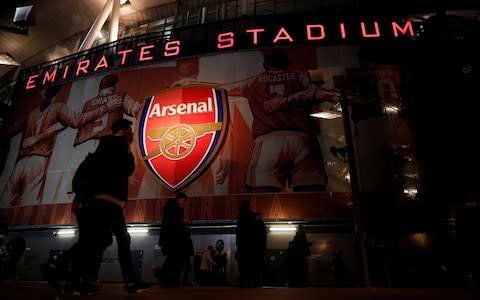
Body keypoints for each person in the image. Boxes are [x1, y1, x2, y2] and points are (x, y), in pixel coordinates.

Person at [224, 48, 338, 193]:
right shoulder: (299, 75)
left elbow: (224, 89)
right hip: (303, 140)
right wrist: (287, 100)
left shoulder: (253, 82)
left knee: (263, 197)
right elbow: (316, 92)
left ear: (265, 64)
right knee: (311, 193)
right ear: (286, 62)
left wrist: (193, 86)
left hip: (269, 142)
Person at [67, 118, 151, 294]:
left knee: (99, 240)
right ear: (123, 131)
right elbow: (115, 170)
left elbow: (125, 169)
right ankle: (74, 275)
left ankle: (86, 279)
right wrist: (80, 198)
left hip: (110, 201)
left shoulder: (118, 147)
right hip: (102, 201)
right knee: (97, 241)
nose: (133, 133)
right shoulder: (110, 146)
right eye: (130, 130)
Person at [0, 85, 121, 206]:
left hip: (20, 163)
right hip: (37, 161)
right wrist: (106, 107)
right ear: (57, 93)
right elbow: (77, 120)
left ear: (43, 93)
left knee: (5, 202)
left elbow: (12, 129)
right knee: (26, 206)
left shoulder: (33, 112)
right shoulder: (57, 108)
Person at [157, 192, 189, 286]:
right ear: (179, 199)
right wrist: (183, 221)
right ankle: (163, 277)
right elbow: (172, 221)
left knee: (172, 258)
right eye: (183, 200)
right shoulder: (173, 207)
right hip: (172, 238)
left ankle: (165, 278)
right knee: (172, 258)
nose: (183, 203)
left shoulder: (173, 208)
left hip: (172, 238)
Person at [235, 200, 257, 286]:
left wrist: (238, 242)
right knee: (250, 263)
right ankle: (250, 280)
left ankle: (243, 280)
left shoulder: (241, 216)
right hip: (250, 244)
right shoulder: (252, 216)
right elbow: (254, 231)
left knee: (243, 264)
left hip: (242, 244)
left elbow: (239, 231)